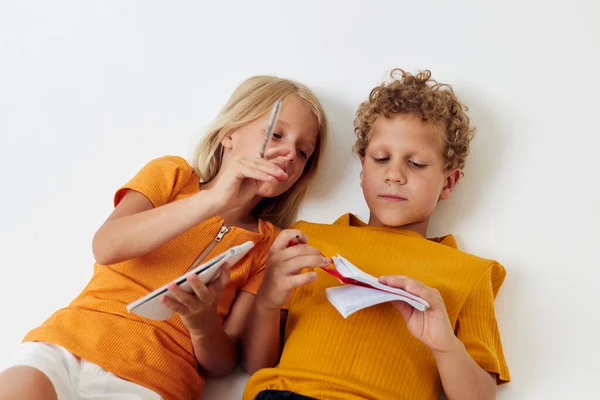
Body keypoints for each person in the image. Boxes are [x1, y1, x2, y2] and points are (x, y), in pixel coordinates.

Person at [0, 75, 328, 400]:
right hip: (67, 345)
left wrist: (200, 321)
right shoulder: (172, 175)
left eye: (302, 152)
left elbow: (224, 364)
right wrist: (215, 200)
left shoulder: (267, 245)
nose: (288, 153)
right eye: (276, 135)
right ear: (229, 134)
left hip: (154, 382)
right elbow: (106, 246)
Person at [242, 69, 510, 400]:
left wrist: (446, 346)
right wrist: (268, 299)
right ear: (363, 168)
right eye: (381, 159)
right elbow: (256, 364)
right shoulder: (305, 241)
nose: (394, 175)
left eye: (416, 163)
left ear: (449, 182)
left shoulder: (470, 273)